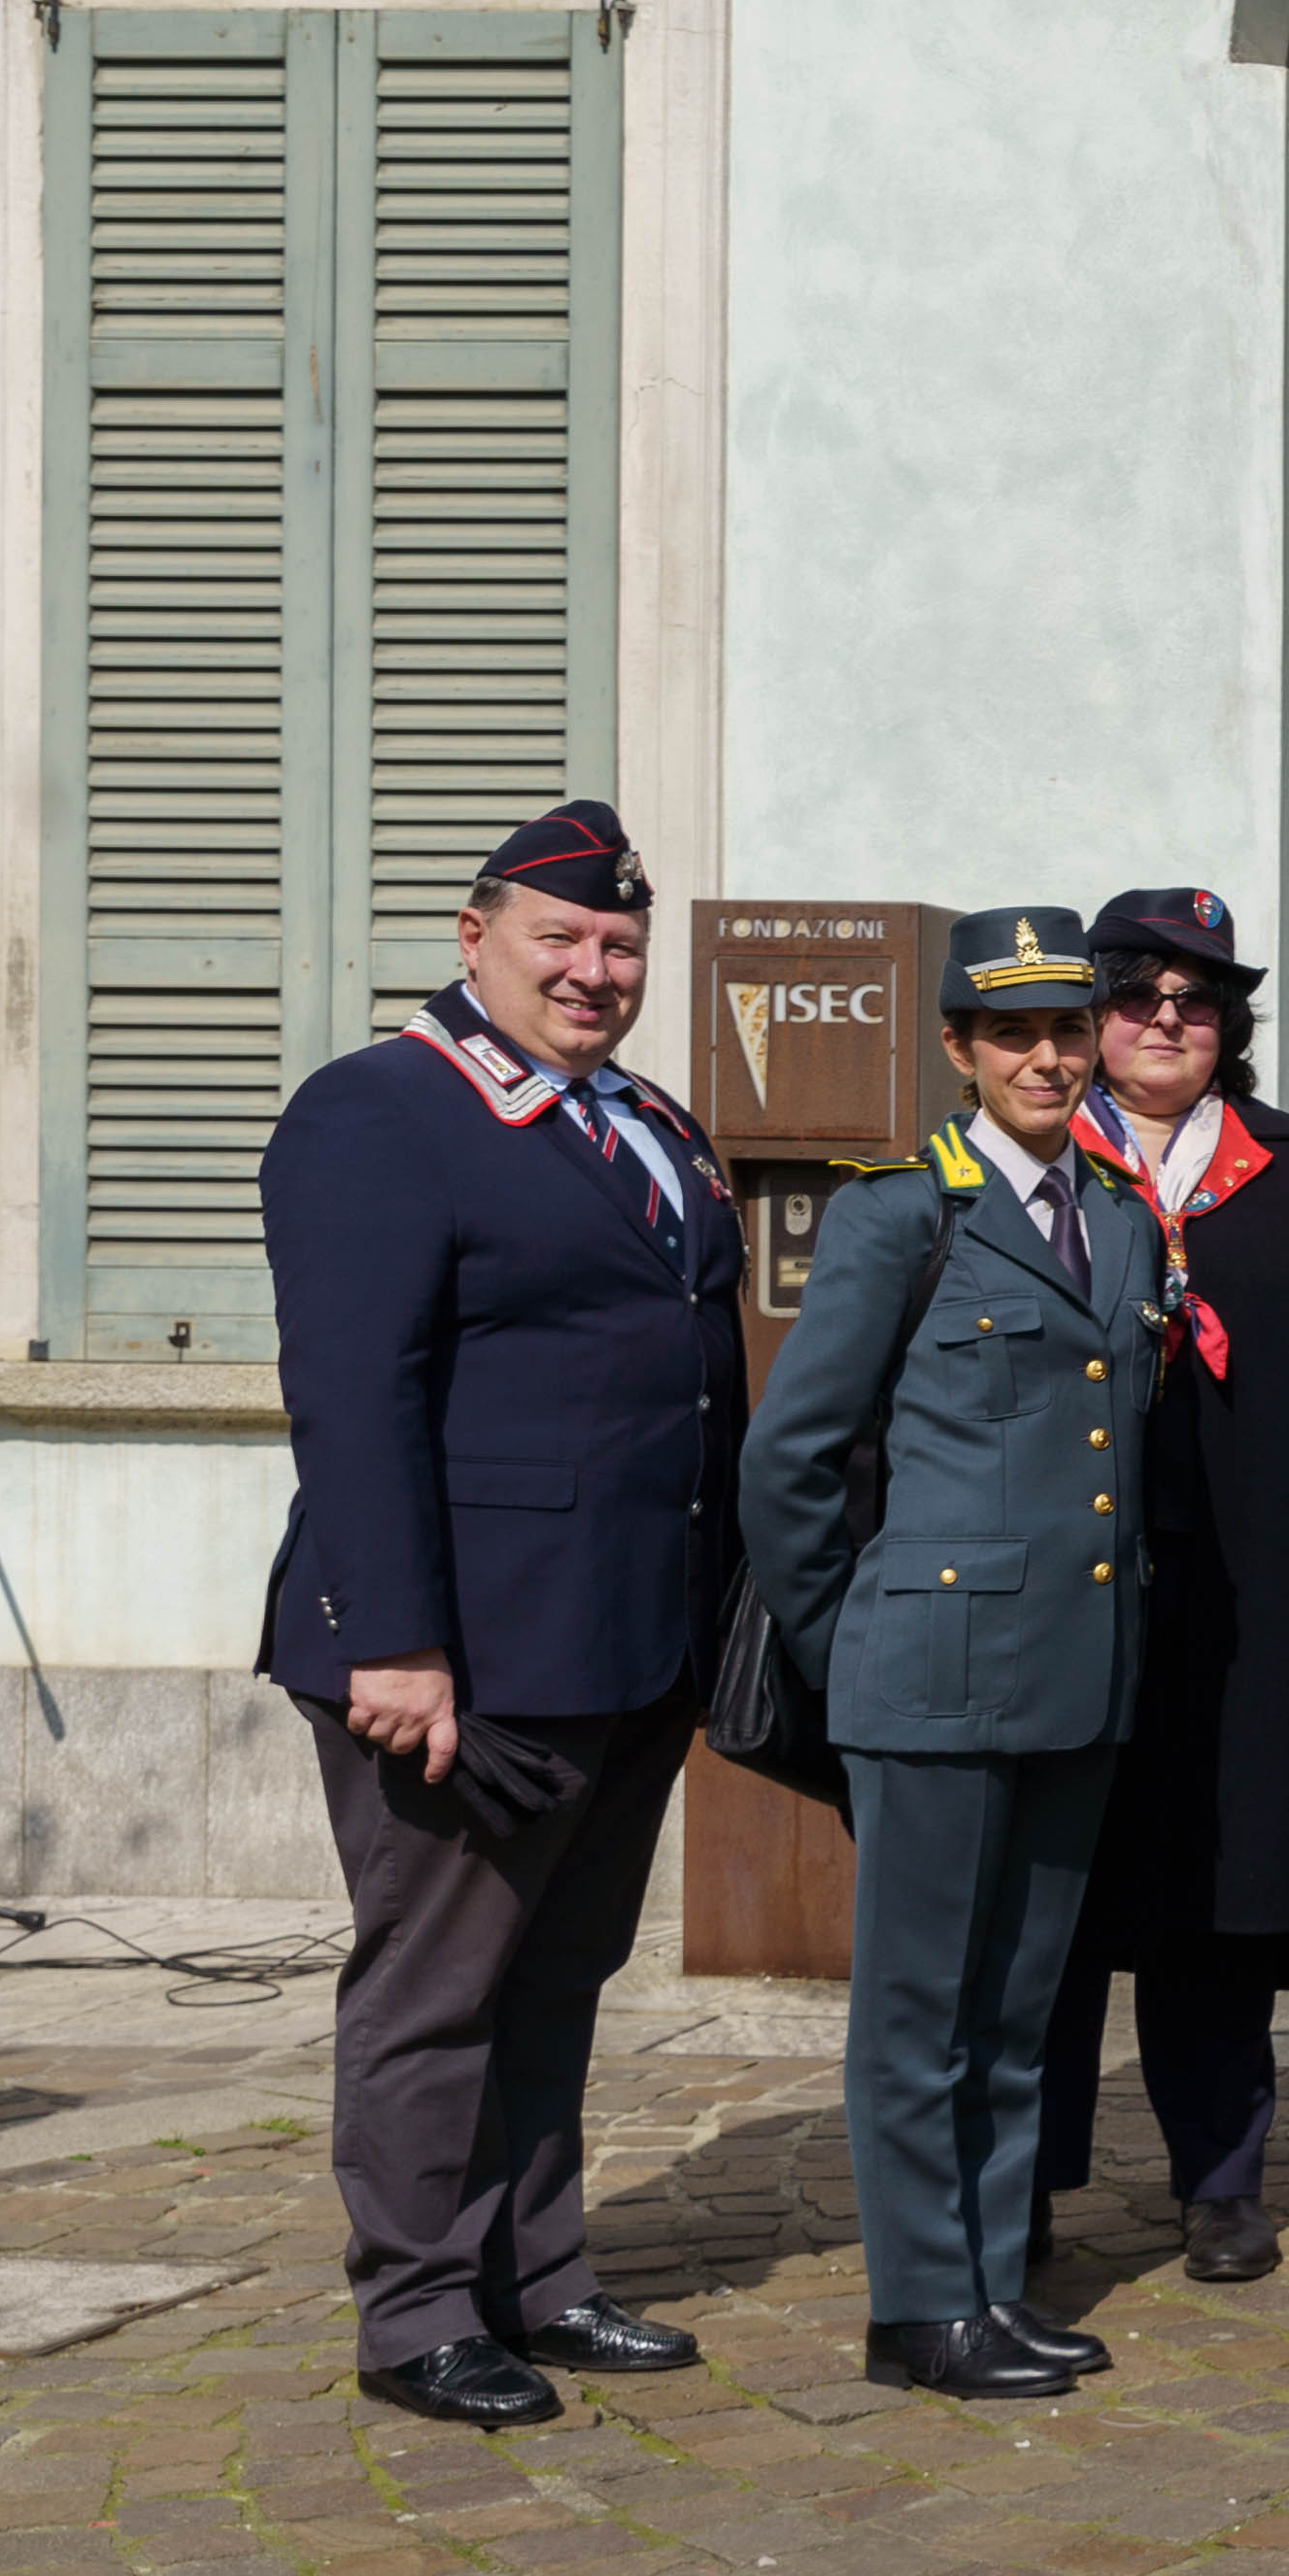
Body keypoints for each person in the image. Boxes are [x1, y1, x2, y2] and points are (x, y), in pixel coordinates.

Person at [258, 800, 740, 2428]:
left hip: (622, 1639)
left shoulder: (647, 1122)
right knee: (435, 1989)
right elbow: (351, 1395)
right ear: (475, 941)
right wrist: (394, 1637)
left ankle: (537, 2278)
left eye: (620, 945)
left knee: (559, 1978)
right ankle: (414, 2313)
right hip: (457, 1652)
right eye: (562, 940)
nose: (595, 970)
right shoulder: (381, 1111)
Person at [740, 907, 1164, 2404]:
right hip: (930, 1674)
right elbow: (792, 1462)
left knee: (1021, 2008)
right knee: (920, 2010)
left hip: (1074, 1672)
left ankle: (991, 2282)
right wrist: (854, 1636)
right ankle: (920, 2305)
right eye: (1014, 1034)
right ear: (957, 1051)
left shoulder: (1117, 1215)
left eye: (1067, 1029)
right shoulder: (899, 1213)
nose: (1047, 1057)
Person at [1035, 888, 1289, 2288]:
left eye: (1197, 1001)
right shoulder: (1024, 1166)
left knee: (1213, 1897)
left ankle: (1222, 2179)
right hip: (1062, 1596)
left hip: (1243, 1601)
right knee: (1051, 1907)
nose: (1168, 1022)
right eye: (1136, 997)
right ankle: (1029, 2182)